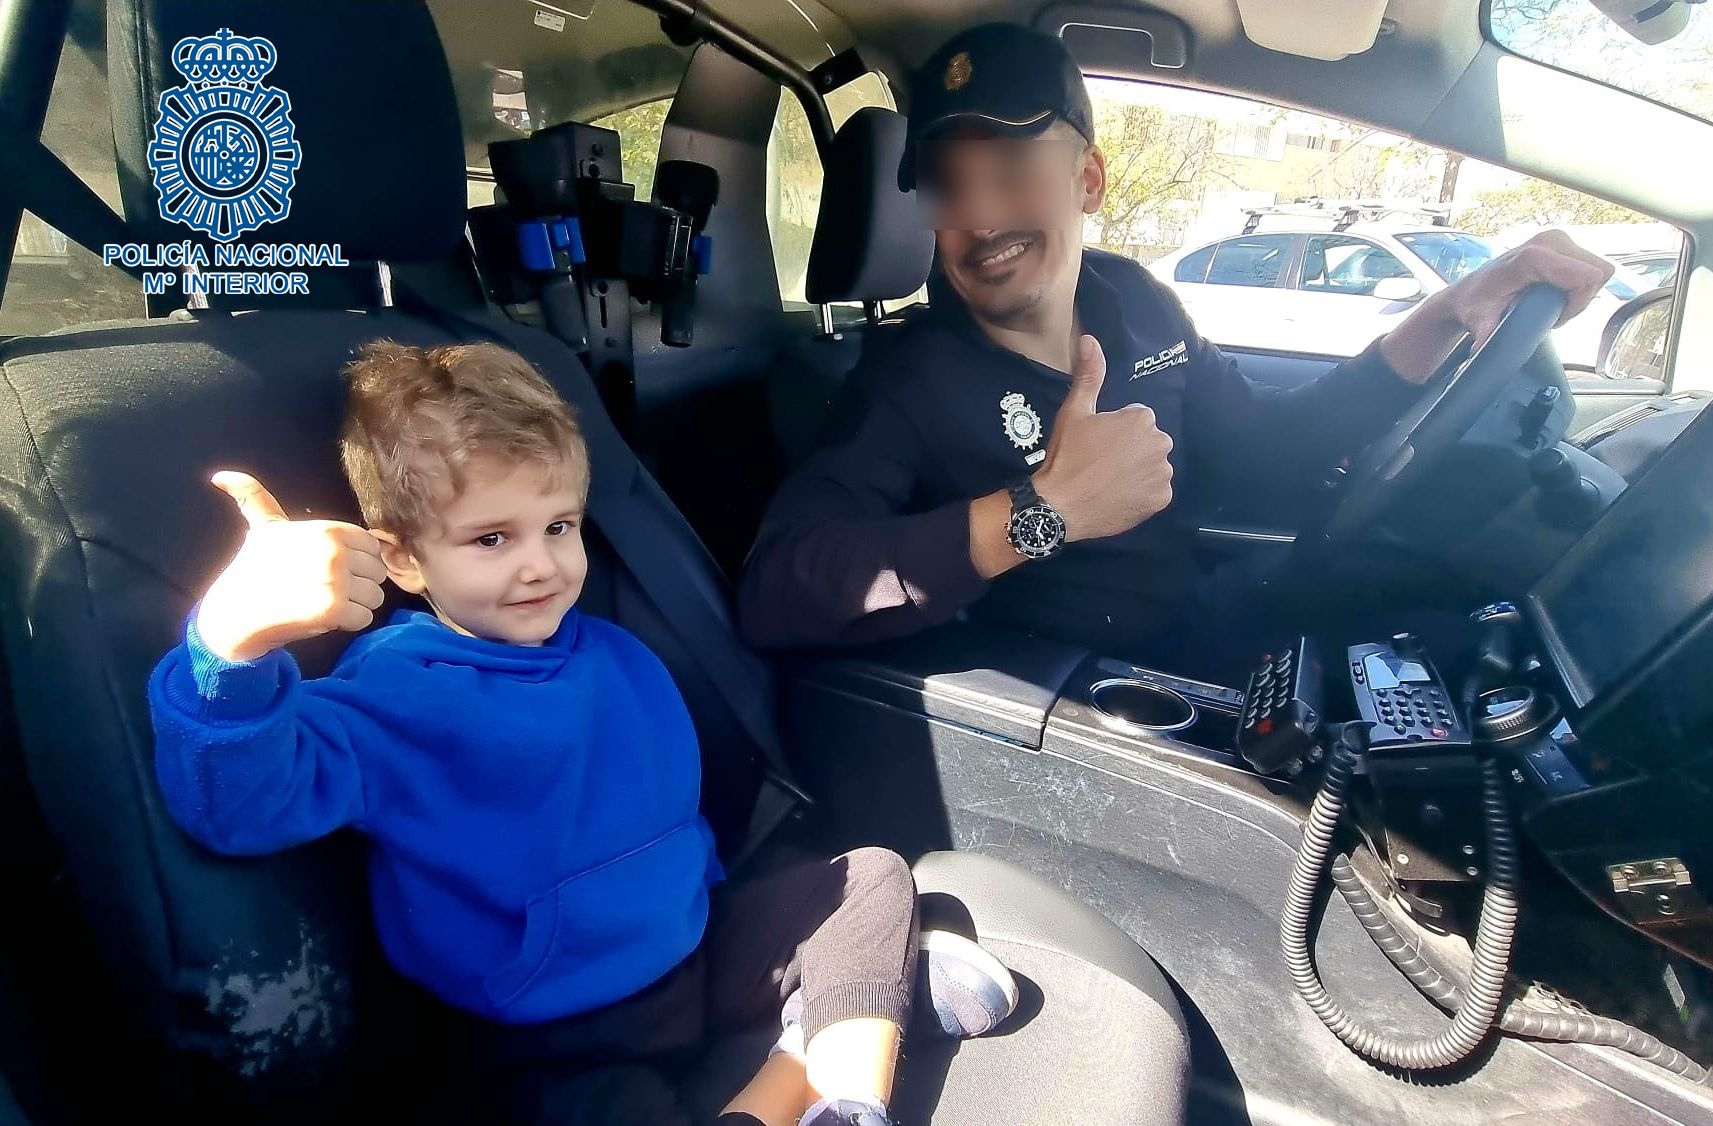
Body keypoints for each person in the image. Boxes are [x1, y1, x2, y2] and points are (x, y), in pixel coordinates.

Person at [145, 341, 1018, 1126]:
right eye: (491, 538)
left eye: (558, 526)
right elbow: (242, 805)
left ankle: (850, 1094)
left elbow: (674, 829)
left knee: (867, 878)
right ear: (405, 558)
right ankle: (810, 1060)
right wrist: (235, 640)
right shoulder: (398, 687)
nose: (540, 562)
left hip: (691, 952)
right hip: (554, 1036)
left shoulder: (613, 655)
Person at [738, 23, 1615, 680]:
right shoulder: (904, 378)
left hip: (1203, 608)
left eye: (1010, 170)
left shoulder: (1134, 298)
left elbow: (1270, 450)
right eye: (946, 184)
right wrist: (1042, 510)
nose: (975, 218)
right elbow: (778, 589)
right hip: (1082, 687)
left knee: (1469, 620)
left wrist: (1450, 312)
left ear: (1087, 179)